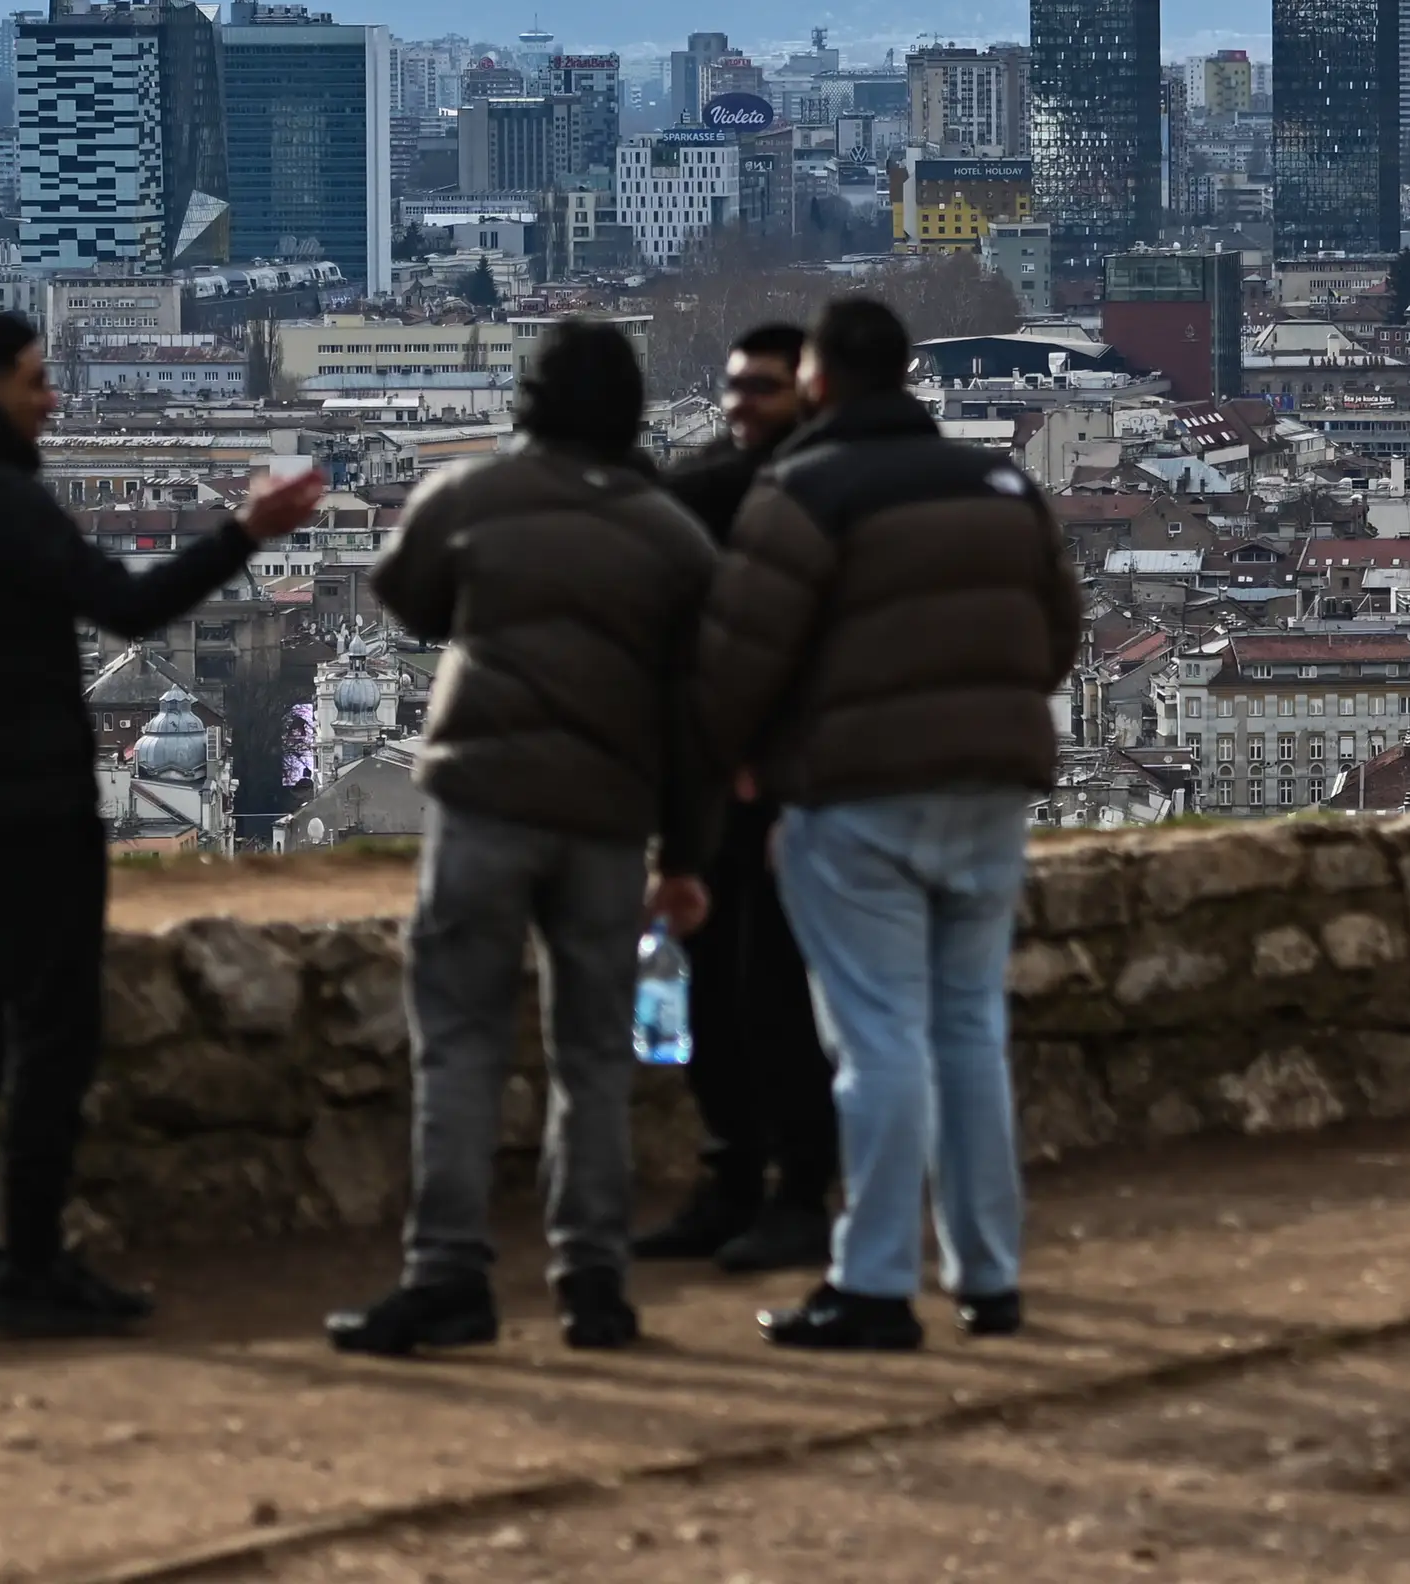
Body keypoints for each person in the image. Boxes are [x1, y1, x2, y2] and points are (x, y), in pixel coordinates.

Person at [0, 310, 326, 1337]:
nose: (52, 398)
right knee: (52, 1028)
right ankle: (32, 1264)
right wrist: (247, 532)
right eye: (35, 380)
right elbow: (128, 604)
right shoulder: (4, 500)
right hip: (23, 793)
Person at [326, 321, 719, 1359]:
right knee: (592, 1052)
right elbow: (695, 711)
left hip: (487, 794)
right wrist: (685, 855)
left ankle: (447, 1273)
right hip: (606, 811)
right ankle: (594, 1282)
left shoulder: (472, 496)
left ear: (527, 401)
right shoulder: (672, 534)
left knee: (459, 1042)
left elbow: (405, 594)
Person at [699, 295, 1084, 1352]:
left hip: (856, 792)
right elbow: (1057, 634)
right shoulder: (1002, 482)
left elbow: (742, 651)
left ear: (817, 382)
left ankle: (871, 1283)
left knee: (875, 1040)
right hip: (991, 788)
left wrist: (737, 758)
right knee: (969, 1030)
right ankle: (987, 1274)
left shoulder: (804, 489)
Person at [636, 322, 841, 1275]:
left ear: (806, 390)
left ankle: (799, 1191)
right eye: (734, 385)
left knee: (778, 996)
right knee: (721, 989)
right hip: (718, 775)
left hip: (791, 780)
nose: (740, 402)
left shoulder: (801, 488)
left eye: (762, 386)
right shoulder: (719, 481)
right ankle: (732, 1182)